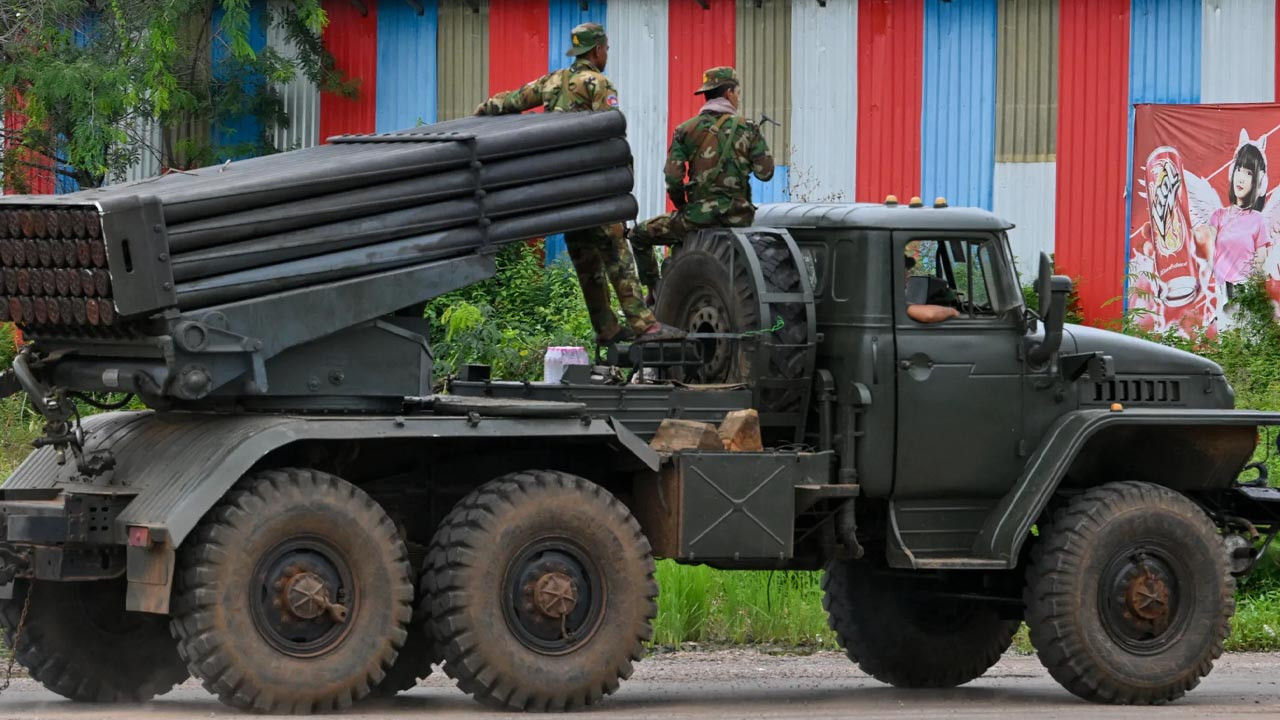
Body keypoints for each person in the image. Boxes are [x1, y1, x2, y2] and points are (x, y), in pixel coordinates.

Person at [474, 22, 682, 344]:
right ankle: (645, 326)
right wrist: (622, 186)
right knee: (616, 255)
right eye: (606, 49)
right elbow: (613, 136)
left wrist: (484, 109)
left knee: (587, 264)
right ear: (597, 50)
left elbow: (512, 101)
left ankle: (607, 329)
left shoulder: (551, 81)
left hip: (563, 192)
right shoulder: (599, 84)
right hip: (596, 188)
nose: (607, 55)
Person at [628, 67, 775, 298]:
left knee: (638, 235)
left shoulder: (685, 130)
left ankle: (655, 290)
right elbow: (765, 174)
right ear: (728, 93)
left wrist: (683, 206)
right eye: (737, 92)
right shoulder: (748, 128)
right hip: (739, 217)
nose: (738, 97)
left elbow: (673, 179)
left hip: (697, 219)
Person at [1192, 138, 1272, 301]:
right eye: (1239, 169)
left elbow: (1260, 261)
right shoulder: (1218, 216)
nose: (1241, 178)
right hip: (1222, 296)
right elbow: (1207, 243)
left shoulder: (1258, 220)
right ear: (1232, 171)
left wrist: (1251, 293)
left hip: (1247, 296)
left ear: (1258, 181)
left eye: (1249, 173)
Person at [904, 255, 959, 323]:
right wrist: (953, 311)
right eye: (904, 270)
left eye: (907, 270)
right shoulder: (890, 300)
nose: (908, 276)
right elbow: (928, 314)